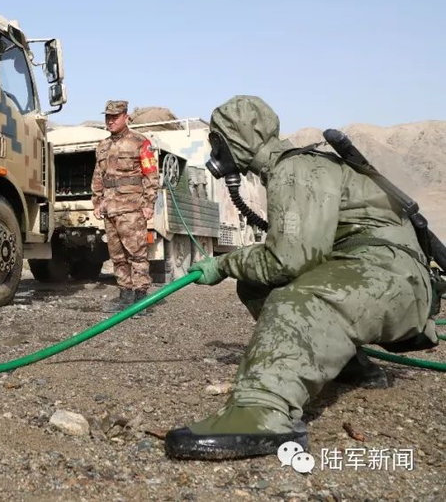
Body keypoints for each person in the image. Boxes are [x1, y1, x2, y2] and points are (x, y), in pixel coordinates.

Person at [166, 95, 438, 460]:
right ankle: (349, 367)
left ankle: (261, 412)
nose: (215, 149)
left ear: (238, 138)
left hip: (390, 279)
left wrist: (224, 265)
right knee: (257, 284)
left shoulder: (295, 169)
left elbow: (287, 261)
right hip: (387, 276)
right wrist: (240, 268)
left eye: (218, 139)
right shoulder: (293, 168)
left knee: (297, 300)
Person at [91, 100, 159, 312]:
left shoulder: (140, 142)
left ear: (125, 117)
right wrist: (97, 201)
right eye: (108, 117)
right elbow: (98, 176)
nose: (110, 121)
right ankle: (125, 296)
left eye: (115, 117)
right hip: (110, 209)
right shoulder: (102, 146)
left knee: (137, 254)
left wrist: (149, 203)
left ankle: (141, 300)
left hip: (131, 208)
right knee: (117, 256)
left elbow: (151, 174)